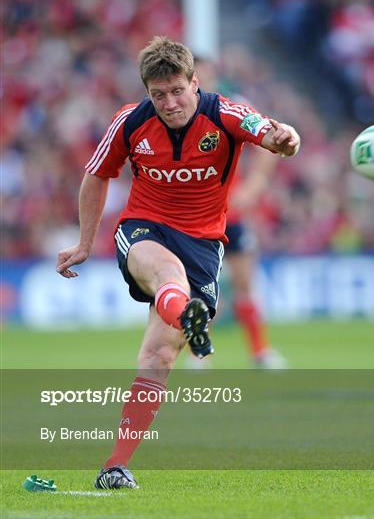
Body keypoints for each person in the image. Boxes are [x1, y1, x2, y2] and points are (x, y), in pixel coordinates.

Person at [56, 36, 300, 490]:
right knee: (169, 276)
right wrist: (86, 243)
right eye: (158, 94)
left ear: (195, 82)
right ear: (147, 92)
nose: (169, 103)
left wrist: (286, 139)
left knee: (158, 356)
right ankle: (187, 314)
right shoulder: (129, 122)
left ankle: (114, 466)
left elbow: (274, 134)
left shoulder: (224, 112)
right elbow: (97, 176)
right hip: (145, 229)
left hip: (204, 245)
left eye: (177, 91)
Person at [194, 56, 287, 369]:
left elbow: (268, 141)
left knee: (245, 283)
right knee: (199, 288)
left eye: (204, 73)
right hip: (193, 215)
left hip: (230, 212)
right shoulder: (176, 112)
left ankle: (260, 352)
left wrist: (256, 185)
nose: (200, 80)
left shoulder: (232, 106)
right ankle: (199, 354)